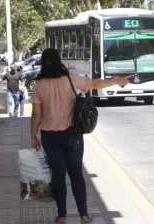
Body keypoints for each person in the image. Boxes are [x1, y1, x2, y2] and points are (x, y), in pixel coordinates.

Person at [29, 48, 132, 223]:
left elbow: (36, 115)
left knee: (58, 174)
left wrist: (33, 136)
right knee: (76, 172)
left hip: (49, 136)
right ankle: (84, 214)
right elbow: (94, 84)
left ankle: (62, 215)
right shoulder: (70, 78)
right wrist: (118, 81)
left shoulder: (39, 85)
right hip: (72, 134)